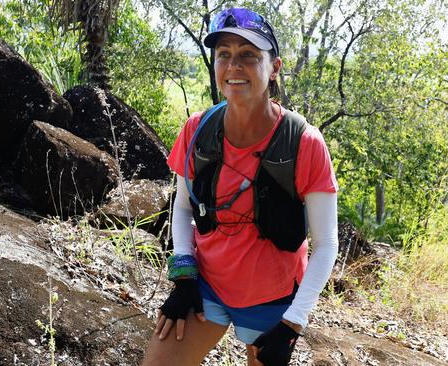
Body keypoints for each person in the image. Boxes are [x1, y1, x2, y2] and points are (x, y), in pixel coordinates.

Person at [141, 7, 339, 366]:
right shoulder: (198, 130)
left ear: (274, 66)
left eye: (248, 55)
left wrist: (292, 324)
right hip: (205, 287)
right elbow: (184, 206)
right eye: (224, 55)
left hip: (273, 300)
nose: (234, 66)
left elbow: (326, 244)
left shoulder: (304, 143)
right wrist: (183, 275)